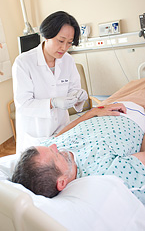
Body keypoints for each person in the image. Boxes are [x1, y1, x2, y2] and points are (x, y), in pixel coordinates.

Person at [11, 101, 145, 205]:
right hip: (137, 113)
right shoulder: (106, 174)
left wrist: (92, 113)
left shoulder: (45, 154)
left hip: (105, 109)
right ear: (62, 182)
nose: (55, 146)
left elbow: (57, 137)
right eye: (56, 154)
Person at [12, 11, 88, 154]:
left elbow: (73, 88)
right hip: (36, 134)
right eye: (61, 41)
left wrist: (78, 95)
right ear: (46, 35)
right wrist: (52, 103)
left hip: (62, 130)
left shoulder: (68, 60)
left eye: (69, 43)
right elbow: (23, 104)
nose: (64, 48)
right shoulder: (24, 62)